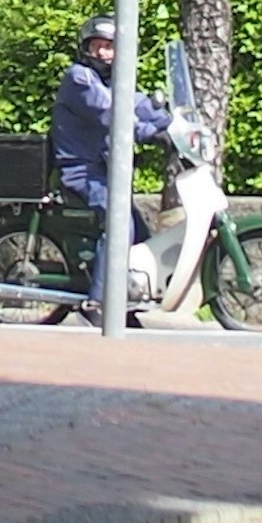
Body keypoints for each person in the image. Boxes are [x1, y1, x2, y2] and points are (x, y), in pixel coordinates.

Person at [45, 19, 169, 314]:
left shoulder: (113, 82)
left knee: (139, 232)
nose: (103, 53)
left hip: (101, 171)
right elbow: (110, 111)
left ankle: (129, 301)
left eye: (110, 47)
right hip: (79, 172)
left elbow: (137, 103)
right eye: (98, 46)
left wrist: (175, 122)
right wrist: (150, 133)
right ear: (86, 48)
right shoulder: (80, 78)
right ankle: (99, 302)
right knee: (119, 224)